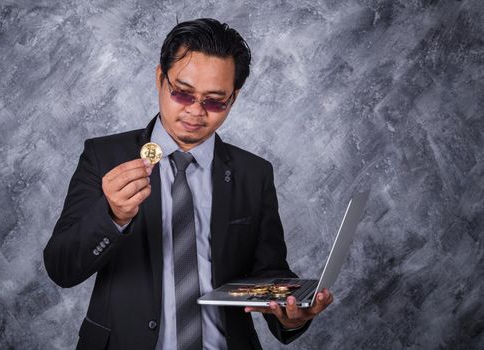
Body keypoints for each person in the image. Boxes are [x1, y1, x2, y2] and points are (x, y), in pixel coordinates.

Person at [43, 18, 333, 350]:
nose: (195, 111)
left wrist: (291, 312)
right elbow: (61, 268)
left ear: (233, 98)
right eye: (182, 93)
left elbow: (269, 272)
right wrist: (113, 216)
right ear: (159, 79)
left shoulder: (254, 173)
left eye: (214, 101)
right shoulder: (104, 156)